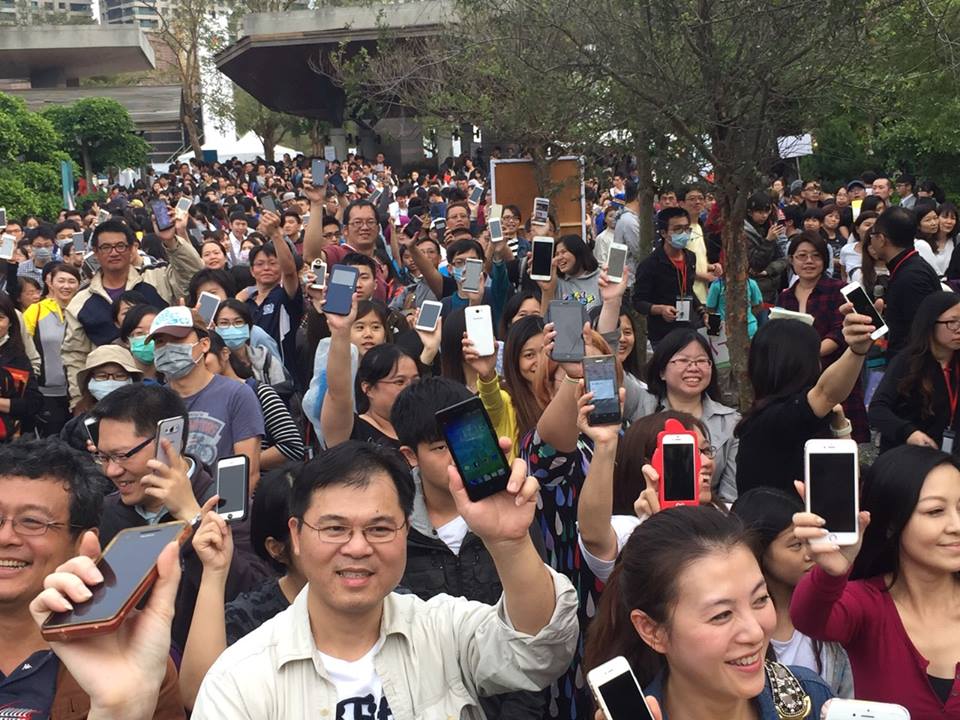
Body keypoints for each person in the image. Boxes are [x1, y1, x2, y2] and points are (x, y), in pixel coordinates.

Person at [191, 440, 579, 718]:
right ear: (295, 535)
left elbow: (538, 650)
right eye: (335, 529)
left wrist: (508, 543)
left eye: (379, 529)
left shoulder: (442, 629)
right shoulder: (241, 679)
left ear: (406, 531)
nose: (357, 548)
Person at [392, 377, 548, 720]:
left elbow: (538, 631)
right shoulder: (394, 531)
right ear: (410, 455)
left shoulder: (512, 511)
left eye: (464, 440)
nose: (457, 457)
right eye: (439, 448)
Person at [584, 506, 832, 720]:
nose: (755, 632)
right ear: (652, 630)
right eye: (722, 615)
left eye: (760, 599)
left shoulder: (809, 698)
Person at [0, 437, 185, 719]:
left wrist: (120, 709)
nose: (6, 537)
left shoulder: (127, 657)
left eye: (32, 521)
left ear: (83, 543)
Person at [791, 445, 960, 717]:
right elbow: (807, 618)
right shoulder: (866, 604)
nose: (956, 525)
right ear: (892, 522)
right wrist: (831, 572)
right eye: (936, 511)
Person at [179, 464, 307, 708]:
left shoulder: (389, 598)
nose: (352, 546)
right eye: (326, 528)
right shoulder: (248, 617)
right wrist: (214, 572)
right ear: (276, 548)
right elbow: (198, 694)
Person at [62, 218, 203, 409]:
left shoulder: (156, 277)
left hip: (168, 385)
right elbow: (75, 355)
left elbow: (194, 274)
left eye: (120, 246)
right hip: (111, 397)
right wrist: (78, 401)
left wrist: (171, 241)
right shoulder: (80, 301)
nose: (114, 252)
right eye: (106, 247)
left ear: (131, 248)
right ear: (95, 252)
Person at [736, 306, 875, 495]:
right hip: (781, 523)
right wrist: (857, 351)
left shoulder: (764, 418)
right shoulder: (778, 418)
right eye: (816, 356)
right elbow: (826, 393)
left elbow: (848, 480)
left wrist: (841, 427)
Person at [730, 488, 854, 698]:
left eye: (811, 541)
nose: (811, 554)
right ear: (757, 550)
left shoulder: (829, 611)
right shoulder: (739, 632)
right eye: (796, 544)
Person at [577, 408, 715, 583]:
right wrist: (605, 444)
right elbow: (594, 535)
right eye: (688, 453)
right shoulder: (630, 528)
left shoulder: (726, 515)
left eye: (706, 450)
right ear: (646, 466)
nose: (707, 462)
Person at [144, 306, 264, 486]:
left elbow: (248, 473)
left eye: (177, 339)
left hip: (218, 508)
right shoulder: (153, 402)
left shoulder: (237, 394)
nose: (168, 347)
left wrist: (220, 513)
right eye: (160, 341)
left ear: (204, 344)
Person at [777, 232, 869, 442]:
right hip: (796, 380)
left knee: (840, 437)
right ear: (791, 260)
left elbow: (839, 334)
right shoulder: (785, 295)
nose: (809, 261)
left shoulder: (840, 289)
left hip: (836, 373)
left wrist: (804, 355)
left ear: (824, 260)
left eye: (816, 256)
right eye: (802, 256)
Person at [634, 329, 740, 501]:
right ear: (661, 371)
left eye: (701, 361)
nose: (694, 368)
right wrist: (612, 306)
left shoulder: (731, 421)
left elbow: (729, 497)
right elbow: (613, 368)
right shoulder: (641, 403)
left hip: (708, 518)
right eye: (683, 360)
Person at [321, 295, 420, 449]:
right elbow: (338, 394)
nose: (410, 388)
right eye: (399, 381)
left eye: (415, 382)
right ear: (368, 388)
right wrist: (340, 331)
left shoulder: (422, 429)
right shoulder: (353, 431)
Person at [869, 291, 960, 452]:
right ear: (931, 323)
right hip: (908, 457)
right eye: (952, 322)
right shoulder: (908, 361)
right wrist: (908, 433)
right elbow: (877, 409)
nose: (958, 329)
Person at [204, 331, 304, 469]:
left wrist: (237, 467)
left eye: (204, 355)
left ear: (224, 353)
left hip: (257, 487)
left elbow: (292, 447)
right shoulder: (194, 400)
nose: (199, 363)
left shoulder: (259, 393)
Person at [868, 207, 940, 358]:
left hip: (910, 369)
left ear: (881, 240)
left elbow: (919, 335)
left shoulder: (911, 277)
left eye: (872, 235)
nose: (870, 240)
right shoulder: (908, 267)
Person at [21, 263, 81, 435]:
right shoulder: (36, 310)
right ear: (50, 282)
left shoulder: (84, 309)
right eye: (61, 281)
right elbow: (23, 346)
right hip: (46, 394)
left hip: (80, 393)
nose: (66, 286)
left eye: (71, 281)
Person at [241, 211, 302, 375]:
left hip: (282, 376)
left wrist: (275, 234)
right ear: (252, 271)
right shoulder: (245, 303)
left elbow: (290, 272)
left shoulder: (285, 295)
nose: (266, 268)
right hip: (251, 376)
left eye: (272, 263)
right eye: (260, 264)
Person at [633, 207, 704, 347]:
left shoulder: (690, 257)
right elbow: (638, 301)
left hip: (688, 328)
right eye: (677, 229)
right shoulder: (650, 264)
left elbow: (688, 290)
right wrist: (660, 309)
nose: (683, 234)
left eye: (686, 229)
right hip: (662, 335)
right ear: (664, 233)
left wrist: (702, 311)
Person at [0, 292, 42, 442]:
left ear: (11, 322)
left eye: (0, 318)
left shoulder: (17, 358)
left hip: (10, 442)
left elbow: (33, 403)